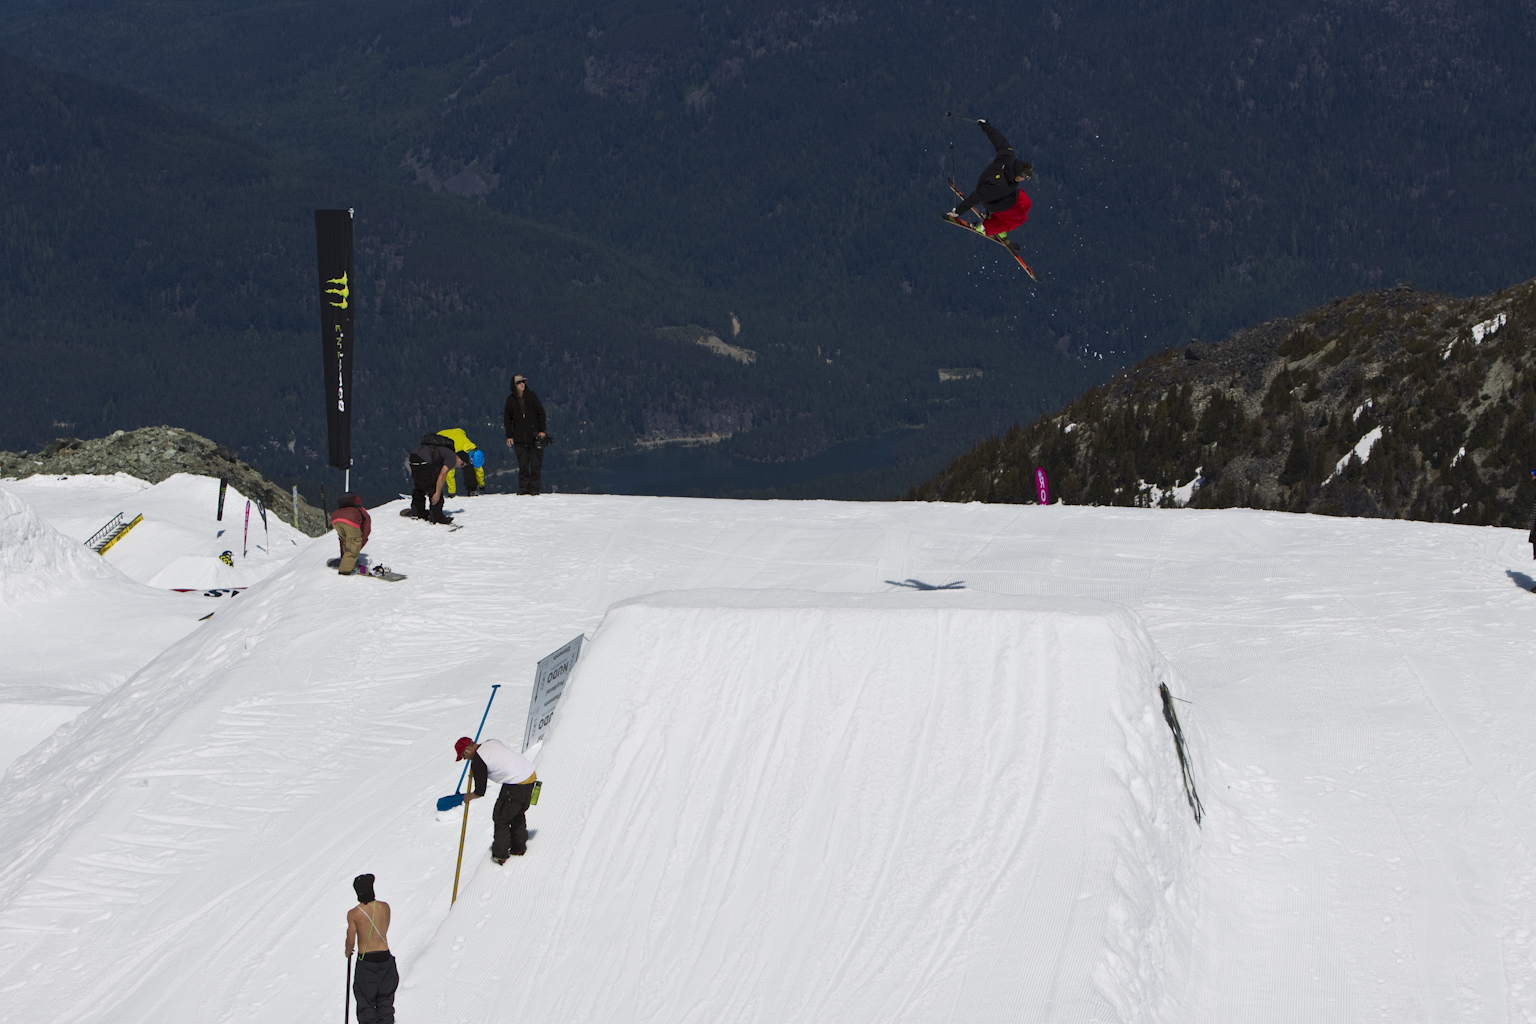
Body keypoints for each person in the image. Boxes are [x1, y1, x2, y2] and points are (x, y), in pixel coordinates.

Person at [948, 119, 1034, 251]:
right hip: (997, 202)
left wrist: (985, 125)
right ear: (1019, 173)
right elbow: (976, 197)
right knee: (1020, 218)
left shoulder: (1009, 156)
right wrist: (958, 212)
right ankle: (984, 227)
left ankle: (999, 224)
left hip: (1004, 192)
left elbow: (999, 140)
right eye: (1024, 177)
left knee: (1026, 203)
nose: (1023, 180)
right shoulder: (1000, 186)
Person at [456, 736, 537, 863]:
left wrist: (468, 797)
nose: (465, 759)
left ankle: (501, 854)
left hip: (516, 783)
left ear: (466, 750)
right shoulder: (490, 742)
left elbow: (480, 791)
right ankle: (519, 846)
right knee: (516, 812)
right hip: (530, 775)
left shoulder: (478, 761)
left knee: (501, 818)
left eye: (463, 756)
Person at [345, 873, 397, 1024]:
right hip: (386, 960)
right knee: (385, 1002)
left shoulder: (354, 914)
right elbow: (384, 927)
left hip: (366, 963)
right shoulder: (385, 907)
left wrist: (348, 951)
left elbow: (350, 942)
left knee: (366, 1003)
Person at [404, 432, 466, 524]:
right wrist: (437, 493)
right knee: (433, 488)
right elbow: (442, 475)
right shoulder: (452, 457)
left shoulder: (443, 450)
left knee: (420, 486)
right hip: (424, 461)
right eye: (462, 464)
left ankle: (417, 511)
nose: (460, 467)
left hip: (413, 458)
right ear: (460, 458)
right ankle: (437, 517)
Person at [503, 374, 548, 495]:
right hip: (519, 439)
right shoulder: (510, 401)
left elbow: (541, 413)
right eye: (519, 382)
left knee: (535, 464)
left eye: (523, 382)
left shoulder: (532, 397)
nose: (522, 384)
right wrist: (509, 435)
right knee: (522, 465)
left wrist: (542, 430)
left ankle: (534, 488)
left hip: (534, 437)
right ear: (514, 385)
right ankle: (523, 487)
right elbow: (507, 419)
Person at [330, 493, 371, 575]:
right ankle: (346, 569)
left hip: (335, 518)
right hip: (351, 521)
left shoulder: (343, 509)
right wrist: (362, 540)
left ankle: (346, 561)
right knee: (353, 546)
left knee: (345, 541)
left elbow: (342, 542)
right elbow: (367, 524)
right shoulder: (360, 509)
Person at [436, 427, 485, 497]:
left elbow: (478, 468)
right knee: (440, 467)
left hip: (458, 434)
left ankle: (472, 489)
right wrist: (451, 492)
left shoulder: (474, 451)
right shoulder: (454, 450)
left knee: (469, 466)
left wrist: (481, 484)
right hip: (441, 438)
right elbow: (449, 470)